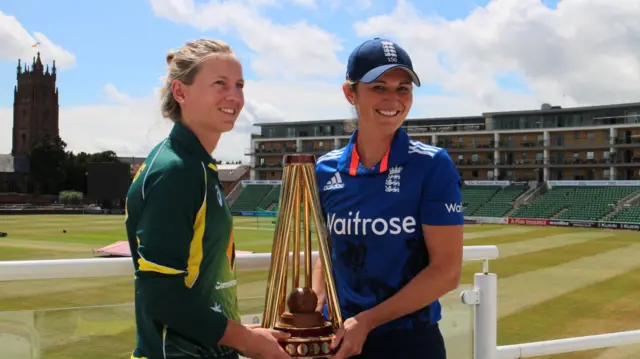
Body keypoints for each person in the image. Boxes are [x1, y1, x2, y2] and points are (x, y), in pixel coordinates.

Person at [125, 39, 291, 359]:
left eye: (239, 85)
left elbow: (203, 281)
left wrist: (239, 333)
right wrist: (245, 341)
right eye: (220, 84)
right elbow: (161, 296)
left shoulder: (199, 165)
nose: (235, 96)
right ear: (181, 92)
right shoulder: (175, 171)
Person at [312, 38, 464, 359]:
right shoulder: (326, 169)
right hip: (339, 339)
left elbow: (447, 272)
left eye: (403, 88)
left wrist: (366, 322)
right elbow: (327, 253)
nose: (393, 99)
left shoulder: (432, 165)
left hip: (409, 342)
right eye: (379, 87)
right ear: (350, 93)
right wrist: (315, 308)